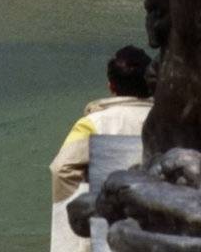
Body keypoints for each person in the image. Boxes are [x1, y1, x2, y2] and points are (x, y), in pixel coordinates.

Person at [49, 46, 156, 203]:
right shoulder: (174, 121)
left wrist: (79, 219)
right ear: (152, 84)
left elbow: (62, 170)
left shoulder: (92, 124)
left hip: (110, 218)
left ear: (111, 86)